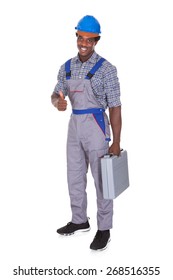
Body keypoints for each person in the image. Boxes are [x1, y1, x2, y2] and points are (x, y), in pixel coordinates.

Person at [51, 15, 122, 251]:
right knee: (74, 175)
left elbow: (115, 106)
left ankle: (104, 229)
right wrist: (57, 102)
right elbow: (56, 94)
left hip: (96, 127)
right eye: (80, 38)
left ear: (97, 41)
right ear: (76, 37)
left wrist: (116, 142)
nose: (84, 43)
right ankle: (79, 220)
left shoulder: (107, 69)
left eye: (89, 39)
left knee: (103, 180)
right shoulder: (66, 67)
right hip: (74, 126)